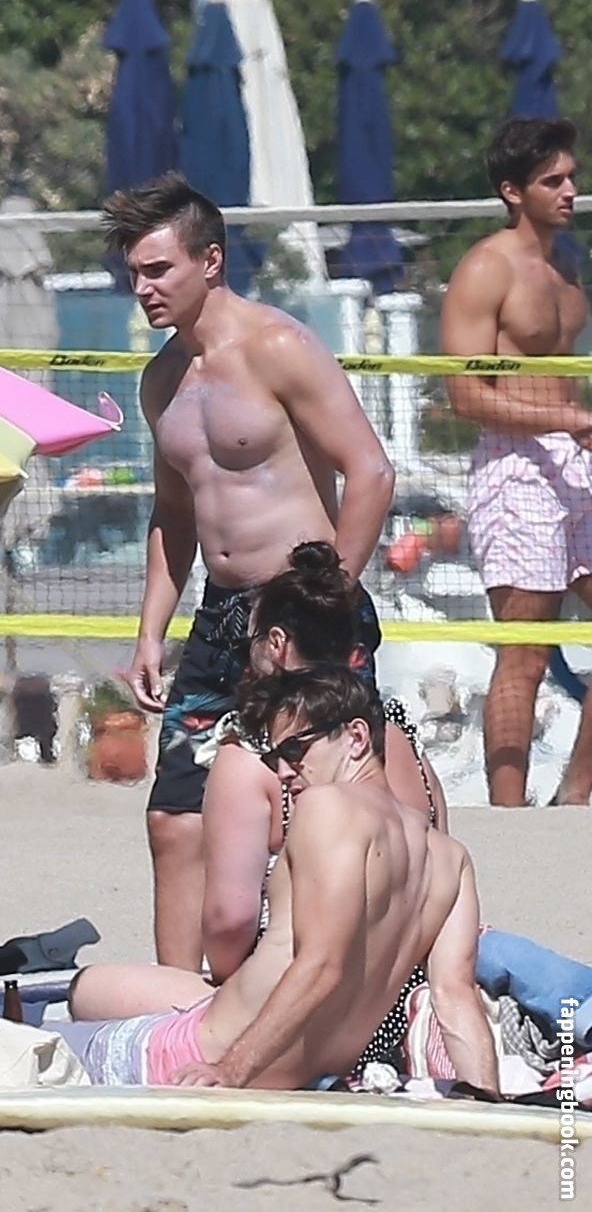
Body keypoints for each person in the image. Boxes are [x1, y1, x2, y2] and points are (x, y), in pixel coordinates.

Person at [104, 172, 396, 970]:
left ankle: (346, 979)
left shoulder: (278, 347)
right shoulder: (162, 380)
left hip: (307, 605)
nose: (143, 288)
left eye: (158, 270)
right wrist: (150, 632)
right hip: (223, 614)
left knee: (327, 802)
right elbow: (173, 514)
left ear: (210, 261)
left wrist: (330, 592)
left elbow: (370, 471)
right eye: (134, 273)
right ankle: (174, 1004)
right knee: (174, 816)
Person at [47, 667, 496, 1095]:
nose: (282, 771)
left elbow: (322, 964)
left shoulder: (328, 806)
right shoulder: (449, 857)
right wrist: (487, 1098)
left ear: (356, 737)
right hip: (311, 1077)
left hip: (200, 1054)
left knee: (31, 1044)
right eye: (275, 757)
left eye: (295, 751)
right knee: (84, 1000)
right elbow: (455, 997)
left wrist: (230, 1070)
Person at [201, 541, 448, 984]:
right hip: (407, 977)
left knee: (96, 990)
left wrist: (229, 988)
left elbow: (230, 919)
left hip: (301, 984)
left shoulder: (254, 752)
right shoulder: (398, 736)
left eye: (251, 641)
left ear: (275, 643)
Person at [441, 116, 591, 807]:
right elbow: (466, 394)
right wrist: (567, 420)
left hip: (575, 456)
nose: (570, 191)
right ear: (513, 191)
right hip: (516, 466)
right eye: (552, 181)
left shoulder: (569, 262)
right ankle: (508, 818)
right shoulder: (486, 267)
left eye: (571, 177)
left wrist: (576, 421)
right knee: (525, 652)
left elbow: (563, 375)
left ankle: (574, 797)